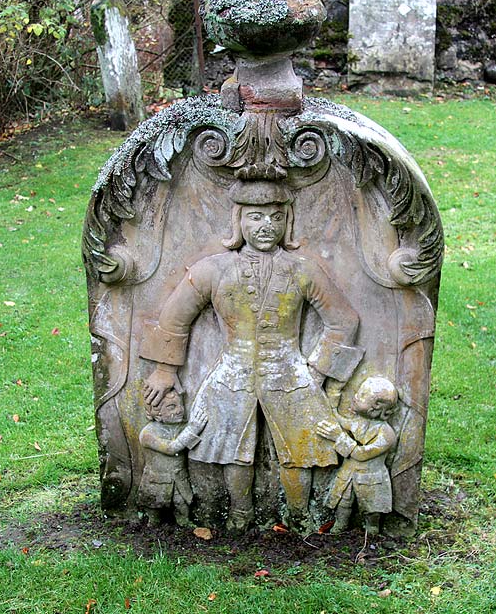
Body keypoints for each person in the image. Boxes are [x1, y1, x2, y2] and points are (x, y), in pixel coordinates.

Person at [141, 179, 362, 532]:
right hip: (232, 372)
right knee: (232, 447)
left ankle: (299, 514)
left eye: (276, 217)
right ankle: (240, 513)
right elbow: (173, 316)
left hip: (289, 372)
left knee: (300, 450)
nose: (266, 226)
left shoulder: (303, 270)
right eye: (256, 217)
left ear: (287, 222)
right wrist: (164, 370)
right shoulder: (212, 270)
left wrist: (318, 372)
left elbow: (344, 320)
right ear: (238, 221)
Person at [316, 376, 398, 534]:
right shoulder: (358, 422)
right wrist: (332, 405)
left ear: (375, 408)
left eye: (361, 396)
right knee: (343, 502)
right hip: (349, 473)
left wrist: (339, 437)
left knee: (372, 508)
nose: (355, 396)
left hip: (371, 478)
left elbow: (361, 454)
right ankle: (340, 525)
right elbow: (340, 421)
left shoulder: (386, 434)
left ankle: (372, 530)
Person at [137, 391, 208, 526]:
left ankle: (184, 525)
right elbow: (171, 448)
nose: (180, 410)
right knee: (154, 507)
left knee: (181, 505)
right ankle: (152, 528)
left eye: (180, 405)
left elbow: (191, 444)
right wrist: (192, 430)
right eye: (171, 407)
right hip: (157, 479)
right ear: (156, 413)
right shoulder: (148, 434)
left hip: (179, 478)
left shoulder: (182, 427)